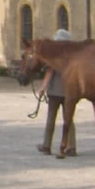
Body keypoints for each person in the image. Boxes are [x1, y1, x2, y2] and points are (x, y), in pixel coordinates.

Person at [36, 29, 77, 157]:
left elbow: (49, 72)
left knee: (51, 118)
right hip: (68, 91)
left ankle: (46, 145)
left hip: (54, 91)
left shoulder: (54, 56)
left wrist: (43, 87)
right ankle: (71, 146)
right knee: (69, 119)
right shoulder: (72, 57)